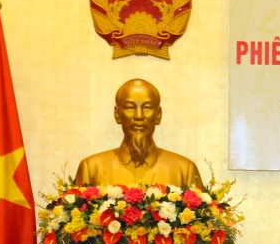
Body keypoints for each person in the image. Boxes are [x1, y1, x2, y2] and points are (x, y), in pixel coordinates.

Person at [74, 78, 203, 187]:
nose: (139, 116)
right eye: (130, 107)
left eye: (147, 107)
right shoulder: (91, 168)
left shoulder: (184, 170)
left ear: (158, 115)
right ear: (117, 114)